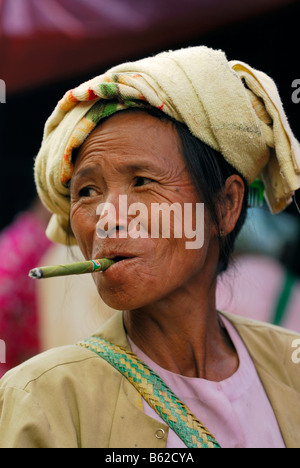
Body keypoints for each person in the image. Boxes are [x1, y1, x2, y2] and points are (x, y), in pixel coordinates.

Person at [0, 46, 300, 448]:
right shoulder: (42, 399)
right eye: (87, 191)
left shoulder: (289, 365)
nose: (107, 217)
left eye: (142, 181)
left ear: (226, 206)